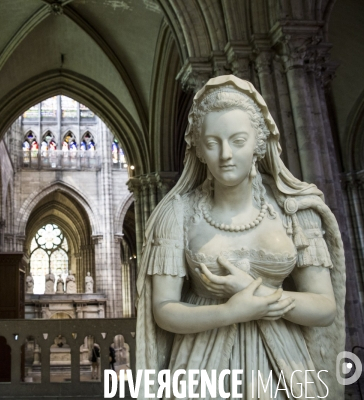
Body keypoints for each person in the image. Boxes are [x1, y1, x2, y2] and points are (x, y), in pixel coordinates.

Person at [136, 75, 345, 399]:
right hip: (202, 365)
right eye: (212, 142)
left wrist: (250, 294)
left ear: (259, 143)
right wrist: (232, 311)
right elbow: (163, 309)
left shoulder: (296, 211)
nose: (225, 154)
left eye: (238, 140)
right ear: (199, 149)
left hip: (284, 365)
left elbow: (324, 308)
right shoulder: (176, 213)